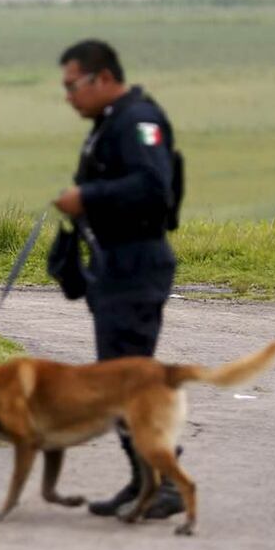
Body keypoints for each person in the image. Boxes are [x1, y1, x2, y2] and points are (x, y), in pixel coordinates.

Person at [52, 39, 184, 519]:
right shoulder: (111, 122)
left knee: (129, 384)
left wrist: (88, 197)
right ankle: (143, 479)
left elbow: (153, 187)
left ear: (103, 77)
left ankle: (167, 482)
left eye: (73, 86)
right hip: (115, 265)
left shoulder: (137, 121)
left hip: (137, 264)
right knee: (119, 382)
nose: (69, 97)